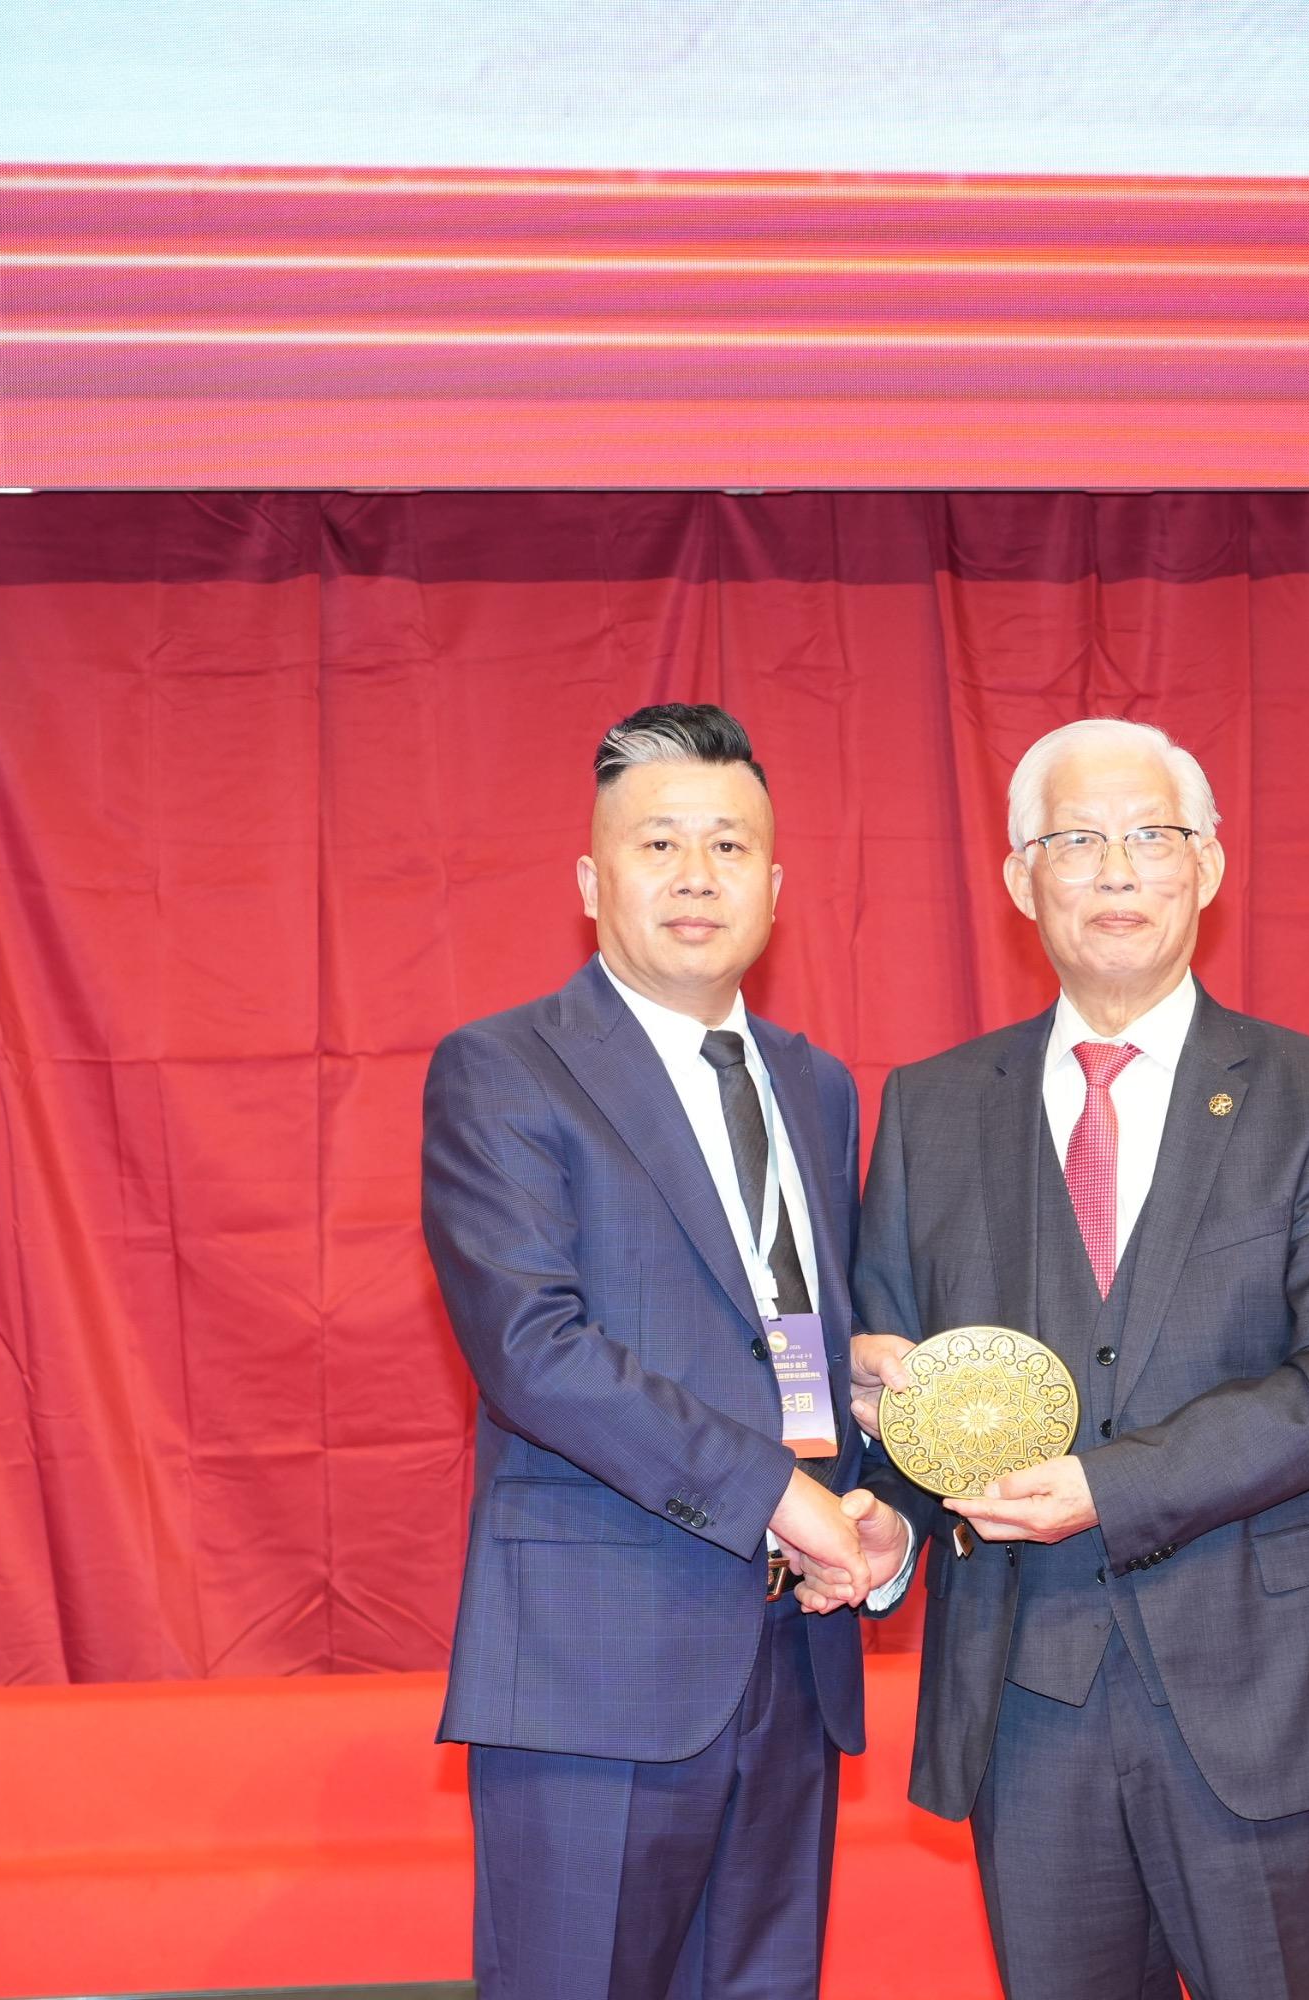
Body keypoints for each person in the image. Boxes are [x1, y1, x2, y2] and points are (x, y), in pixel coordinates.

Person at [848, 717, 1309, 2000]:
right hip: (1026, 1696)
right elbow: (909, 1376)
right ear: (1019, 879)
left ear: (1207, 865)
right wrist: (885, 1503)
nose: (1115, 869)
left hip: (1264, 1689)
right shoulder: (932, 1106)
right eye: (1075, 840)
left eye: (1151, 836)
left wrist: (1111, 1484)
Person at [422, 702, 916, 2000]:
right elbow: (534, 1350)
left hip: (795, 1657)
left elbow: (774, 1333)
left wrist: (863, 1456)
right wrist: (779, 1492)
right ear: (592, 884)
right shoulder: (505, 1070)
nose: (698, 875)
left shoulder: (815, 1085)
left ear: (777, 889)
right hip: (598, 1664)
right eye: (659, 844)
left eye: (729, 846)